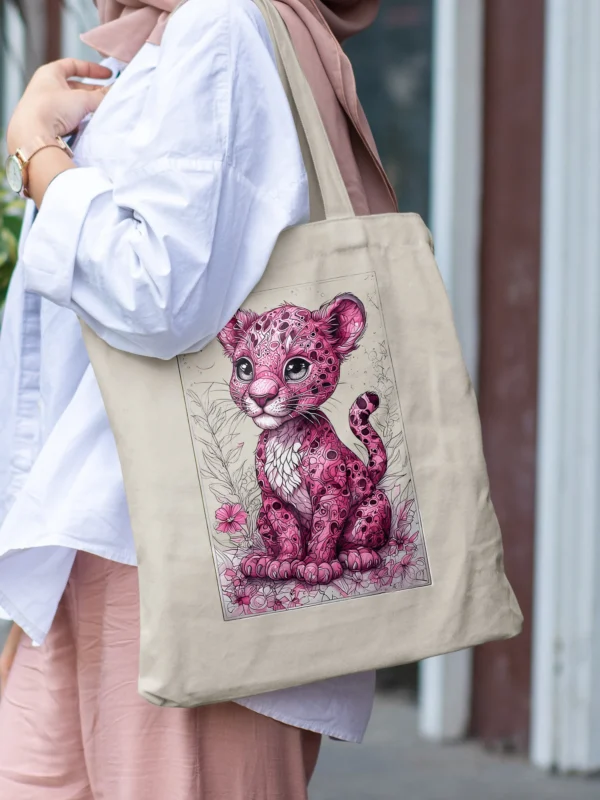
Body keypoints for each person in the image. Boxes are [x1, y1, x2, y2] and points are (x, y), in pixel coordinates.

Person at [0, 0, 396, 797]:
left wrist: (37, 152)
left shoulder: (221, 25)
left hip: (181, 556)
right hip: (97, 535)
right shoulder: (166, 37)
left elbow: (159, 297)